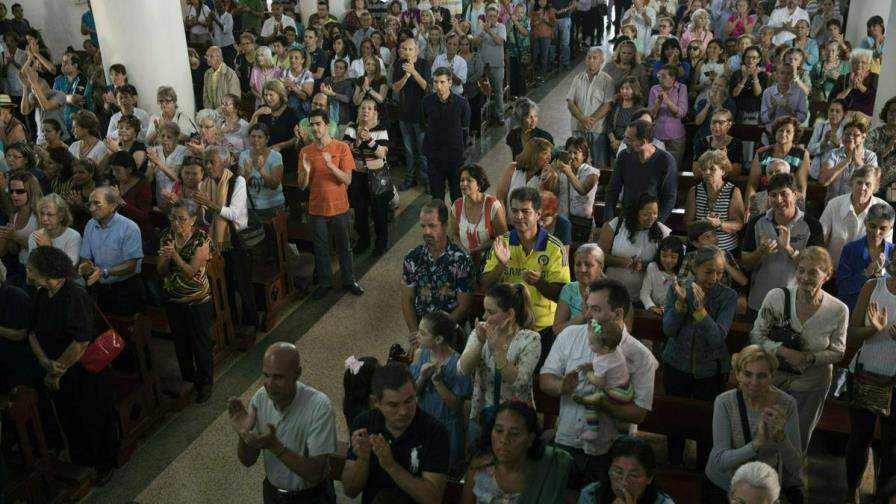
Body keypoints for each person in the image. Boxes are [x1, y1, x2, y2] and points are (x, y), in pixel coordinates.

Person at [541, 279, 658, 487]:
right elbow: (545, 378)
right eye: (587, 307)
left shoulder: (641, 357)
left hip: (612, 451)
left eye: (595, 309)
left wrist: (602, 403)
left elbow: (638, 412)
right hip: (567, 441)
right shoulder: (569, 335)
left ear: (618, 314)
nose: (587, 315)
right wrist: (562, 387)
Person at [27, 245, 119, 485]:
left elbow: (81, 341)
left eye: (32, 268)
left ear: (46, 272)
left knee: (92, 416)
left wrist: (57, 370)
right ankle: (82, 462)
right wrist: (45, 362)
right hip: (57, 371)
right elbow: (32, 333)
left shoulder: (74, 295)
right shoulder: (40, 295)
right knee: (69, 417)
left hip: (83, 371)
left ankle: (103, 463)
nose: (28, 271)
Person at [751, 246, 848, 453]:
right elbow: (757, 336)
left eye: (812, 272)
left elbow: (838, 351)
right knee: (764, 435)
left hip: (812, 384)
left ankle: (792, 481)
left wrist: (810, 357)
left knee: (798, 437)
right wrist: (784, 351)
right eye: (801, 270)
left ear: (827, 275)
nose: (804, 277)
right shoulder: (776, 297)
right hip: (773, 380)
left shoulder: (838, 310)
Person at [227, 342, 338, 503]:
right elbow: (248, 461)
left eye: (278, 377)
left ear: (297, 373)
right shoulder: (260, 398)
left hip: (312, 497)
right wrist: (244, 435)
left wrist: (275, 446)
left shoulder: (319, 406)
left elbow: (315, 473)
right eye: (266, 375)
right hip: (274, 495)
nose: (270, 385)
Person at [662, 245, 738, 467]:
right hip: (676, 364)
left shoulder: (728, 296)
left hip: (710, 371)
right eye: (708, 271)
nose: (714, 278)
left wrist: (699, 310)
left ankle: (705, 469)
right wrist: (679, 305)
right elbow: (668, 330)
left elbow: (717, 338)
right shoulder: (678, 288)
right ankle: (674, 463)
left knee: (707, 425)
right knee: (675, 420)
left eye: (720, 272)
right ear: (695, 268)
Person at [342, 362, 450, 503]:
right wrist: (362, 460)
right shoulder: (364, 424)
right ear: (375, 401)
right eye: (393, 405)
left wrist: (391, 465)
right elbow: (350, 491)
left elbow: (432, 499)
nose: (404, 411)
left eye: (409, 400)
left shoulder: (435, 432)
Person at [705, 346, 802, 498]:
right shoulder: (724, 402)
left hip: (760, 489)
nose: (754, 382)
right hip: (724, 484)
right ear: (737, 374)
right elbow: (720, 461)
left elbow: (796, 466)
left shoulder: (787, 404)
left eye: (762, 376)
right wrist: (756, 445)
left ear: (772, 376)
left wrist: (781, 438)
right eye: (747, 374)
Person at [845, 246, 896, 504]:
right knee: (858, 441)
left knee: (893, 447)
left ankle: (884, 497)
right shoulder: (873, 287)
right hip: (866, 374)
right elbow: (851, 335)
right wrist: (872, 330)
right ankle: (852, 488)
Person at [482, 186, 570, 336]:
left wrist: (539, 282)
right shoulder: (501, 243)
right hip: (508, 325)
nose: (519, 216)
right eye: (515, 211)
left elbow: (562, 297)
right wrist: (501, 266)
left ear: (538, 214)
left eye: (525, 211)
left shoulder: (555, 248)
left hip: (542, 327)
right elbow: (486, 286)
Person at [458, 283, 541, 440]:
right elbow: (462, 370)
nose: (484, 317)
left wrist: (498, 352)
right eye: (484, 310)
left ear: (509, 314)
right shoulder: (480, 331)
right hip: (482, 416)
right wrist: (480, 343)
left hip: (516, 422)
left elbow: (519, 381)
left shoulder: (530, 339)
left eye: (490, 312)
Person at [297, 110, 363, 300]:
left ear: (327, 125)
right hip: (316, 209)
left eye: (318, 124)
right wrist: (307, 172)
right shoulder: (305, 152)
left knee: (344, 247)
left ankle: (349, 280)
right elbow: (302, 186)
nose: (315, 128)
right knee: (321, 249)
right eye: (312, 124)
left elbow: (347, 180)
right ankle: (325, 283)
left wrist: (331, 165)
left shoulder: (341, 148)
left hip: (339, 208)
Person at [192, 145, 257, 331]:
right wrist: (202, 211)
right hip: (218, 243)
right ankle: (231, 321)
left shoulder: (237, 182)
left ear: (225, 161)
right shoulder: (204, 183)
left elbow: (235, 213)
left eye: (212, 162)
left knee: (243, 284)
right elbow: (207, 219)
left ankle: (250, 322)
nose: (208, 166)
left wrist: (210, 204)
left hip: (237, 240)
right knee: (224, 283)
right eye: (206, 162)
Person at [741, 173, 823, 317]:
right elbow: (746, 263)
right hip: (760, 303)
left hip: (795, 305)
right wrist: (759, 252)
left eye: (784, 194)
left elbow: (816, 268)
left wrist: (789, 249)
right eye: (773, 195)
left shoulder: (812, 225)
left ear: (795, 195)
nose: (778, 200)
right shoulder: (756, 223)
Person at [157, 200, 214, 402]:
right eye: (173, 218)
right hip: (173, 298)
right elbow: (160, 270)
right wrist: (165, 257)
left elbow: (190, 272)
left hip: (197, 299)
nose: (176, 223)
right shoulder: (166, 236)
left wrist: (174, 255)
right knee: (181, 342)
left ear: (192, 220)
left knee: (200, 343)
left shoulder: (201, 239)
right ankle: (189, 380)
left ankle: (206, 383)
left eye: (181, 219)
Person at [460, 401, 573, 503]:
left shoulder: (543, 474)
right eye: (499, 431)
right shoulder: (479, 468)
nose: (504, 440)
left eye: (514, 433)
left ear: (530, 439)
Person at [410, 311, 472, 479]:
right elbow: (413, 394)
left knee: (445, 474)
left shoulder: (458, 364)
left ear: (438, 339)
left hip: (448, 429)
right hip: (423, 423)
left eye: (423, 333)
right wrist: (422, 377)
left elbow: (456, 406)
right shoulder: (419, 355)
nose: (417, 336)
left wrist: (438, 382)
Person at [402, 198, 474, 335]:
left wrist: (436, 331)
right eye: (423, 226)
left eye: (432, 226)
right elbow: (407, 299)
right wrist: (413, 332)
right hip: (421, 331)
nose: (426, 231)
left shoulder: (462, 261)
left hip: (451, 330)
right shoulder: (412, 258)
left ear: (445, 224)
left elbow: (464, 306)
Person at [77, 187, 145, 316]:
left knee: (128, 331)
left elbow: (131, 265)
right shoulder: (90, 224)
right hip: (101, 289)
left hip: (126, 289)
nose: (91, 208)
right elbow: (85, 257)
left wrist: (104, 272)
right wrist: (86, 266)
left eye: (97, 204)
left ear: (113, 206)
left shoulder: (129, 228)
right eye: (89, 204)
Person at [598, 194, 671, 299]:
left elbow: (668, 263)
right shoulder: (616, 225)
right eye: (646, 214)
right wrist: (624, 262)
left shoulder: (662, 232)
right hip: (613, 292)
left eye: (655, 213)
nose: (652, 218)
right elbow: (598, 256)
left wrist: (645, 265)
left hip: (646, 296)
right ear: (635, 213)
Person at [603, 120, 677, 223]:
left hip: (652, 221)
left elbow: (670, 197)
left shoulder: (666, 160)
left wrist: (658, 223)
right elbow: (613, 190)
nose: (624, 142)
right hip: (627, 219)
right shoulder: (624, 156)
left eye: (628, 139)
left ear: (642, 142)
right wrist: (608, 221)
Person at [822, 166, 890, 272]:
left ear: (875, 187)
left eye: (868, 184)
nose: (862, 188)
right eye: (859, 182)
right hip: (833, 273)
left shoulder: (884, 210)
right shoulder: (834, 205)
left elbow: (886, 249)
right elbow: (820, 239)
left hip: (868, 276)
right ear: (851, 183)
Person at [344, 99, 390, 255]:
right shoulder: (351, 128)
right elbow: (344, 150)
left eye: (370, 108)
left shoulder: (381, 129)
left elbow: (382, 152)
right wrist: (357, 141)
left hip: (376, 175)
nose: (366, 111)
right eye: (363, 108)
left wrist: (369, 140)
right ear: (358, 111)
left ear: (375, 112)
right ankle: (364, 241)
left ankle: (381, 244)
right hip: (357, 175)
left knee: (379, 212)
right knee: (360, 211)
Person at [576, 435, 674, 504]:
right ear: (608, 471)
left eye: (633, 475)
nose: (624, 483)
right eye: (618, 473)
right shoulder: (591, 496)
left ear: (649, 477)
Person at [835, 202, 895, 313]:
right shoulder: (850, 249)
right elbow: (843, 288)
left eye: (883, 228)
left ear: (891, 228)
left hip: (886, 312)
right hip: (853, 310)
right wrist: (867, 273)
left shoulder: (894, 252)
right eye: (872, 226)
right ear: (865, 222)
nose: (877, 232)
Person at [422, 67, 470, 202]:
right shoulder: (427, 102)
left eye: (442, 82)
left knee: (457, 196)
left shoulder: (462, 103)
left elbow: (465, 126)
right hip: (434, 156)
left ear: (450, 83)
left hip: (454, 157)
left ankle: (457, 222)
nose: (438, 86)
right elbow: (423, 123)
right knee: (436, 197)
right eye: (435, 82)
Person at [684, 150, 745, 252]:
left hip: (726, 250)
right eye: (704, 169)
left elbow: (739, 224)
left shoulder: (733, 191)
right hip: (699, 249)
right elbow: (687, 223)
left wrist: (720, 224)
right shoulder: (694, 191)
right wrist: (701, 224)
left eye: (712, 169)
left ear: (723, 171)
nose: (707, 173)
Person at [566, 47, 615, 169]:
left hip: (597, 129)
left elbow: (607, 105)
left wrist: (589, 121)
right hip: (578, 127)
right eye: (589, 57)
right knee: (577, 163)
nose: (591, 60)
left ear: (601, 61)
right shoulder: (577, 78)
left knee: (597, 164)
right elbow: (571, 102)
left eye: (595, 58)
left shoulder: (607, 81)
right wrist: (582, 119)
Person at [392, 37, 430, 191]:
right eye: (404, 49)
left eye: (410, 49)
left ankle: (427, 180)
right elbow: (395, 87)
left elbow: (427, 86)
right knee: (409, 150)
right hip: (404, 114)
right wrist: (406, 76)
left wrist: (413, 72)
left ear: (417, 50)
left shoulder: (423, 64)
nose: (407, 52)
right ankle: (410, 178)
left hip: (420, 114)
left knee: (422, 151)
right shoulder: (398, 64)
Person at [745, 117, 810, 206]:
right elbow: (753, 184)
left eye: (788, 131)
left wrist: (798, 209)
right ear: (775, 132)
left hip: (789, 201)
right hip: (764, 199)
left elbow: (801, 187)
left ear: (794, 135)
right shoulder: (762, 153)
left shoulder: (802, 154)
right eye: (780, 130)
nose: (783, 133)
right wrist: (749, 207)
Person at [818, 120, 878, 202]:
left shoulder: (871, 157)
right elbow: (823, 181)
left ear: (863, 137)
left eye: (855, 135)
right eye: (847, 134)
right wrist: (846, 161)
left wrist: (858, 161)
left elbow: (873, 185)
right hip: (834, 205)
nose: (850, 137)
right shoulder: (833, 153)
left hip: (858, 206)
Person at [110, 151, 155, 253]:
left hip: (138, 233)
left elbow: (144, 216)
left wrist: (121, 202)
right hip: (117, 231)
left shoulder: (143, 185)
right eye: (112, 170)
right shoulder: (114, 183)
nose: (114, 173)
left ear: (129, 169)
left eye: (117, 170)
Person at [238, 123, 284, 220]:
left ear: (267, 139)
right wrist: (246, 173)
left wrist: (261, 170)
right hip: (250, 206)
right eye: (253, 136)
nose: (256, 140)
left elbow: (274, 184)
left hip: (272, 206)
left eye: (260, 137)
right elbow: (239, 185)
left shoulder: (276, 157)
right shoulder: (244, 155)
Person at [496, 138, 553, 210]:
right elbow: (500, 197)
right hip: (507, 219)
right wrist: (502, 220)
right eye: (545, 153)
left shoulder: (547, 176)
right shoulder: (512, 168)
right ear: (533, 153)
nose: (549, 158)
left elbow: (541, 204)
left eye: (550, 154)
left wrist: (543, 179)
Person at [29, 194, 81, 268]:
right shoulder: (34, 236)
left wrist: (49, 249)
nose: (44, 218)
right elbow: (33, 267)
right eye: (41, 213)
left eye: (49, 215)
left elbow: (69, 268)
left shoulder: (73, 237)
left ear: (61, 216)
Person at [640, 235, 683, 314]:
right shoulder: (652, 267)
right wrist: (652, 307)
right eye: (664, 256)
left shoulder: (682, 273)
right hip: (654, 312)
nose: (668, 260)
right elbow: (644, 293)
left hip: (673, 313)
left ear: (679, 257)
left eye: (673, 257)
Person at [692, 109, 743, 176]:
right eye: (713, 122)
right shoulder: (701, 143)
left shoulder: (736, 143)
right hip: (705, 181)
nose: (716, 125)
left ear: (729, 125)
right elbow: (696, 173)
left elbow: (736, 174)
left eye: (721, 122)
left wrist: (725, 160)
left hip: (726, 181)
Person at [51, 52, 92, 134]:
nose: (62, 64)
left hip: (82, 124)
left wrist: (60, 97)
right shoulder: (59, 79)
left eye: (66, 62)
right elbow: (53, 100)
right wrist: (67, 98)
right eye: (62, 61)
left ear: (75, 65)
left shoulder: (82, 79)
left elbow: (76, 100)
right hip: (63, 125)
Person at [829, 49, 878, 118]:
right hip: (844, 116)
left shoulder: (874, 78)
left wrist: (859, 86)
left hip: (866, 118)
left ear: (869, 65)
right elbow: (833, 101)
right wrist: (850, 87)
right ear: (851, 64)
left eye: (863, 62)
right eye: (856, 62)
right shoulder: (843, 78)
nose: (859, 65)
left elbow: (874, 99)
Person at [807, 98, 846, 180]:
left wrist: (839, 144)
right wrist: (823, 143)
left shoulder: (846, 129)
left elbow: (849, 154)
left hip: (836, 174)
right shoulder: (820, 126)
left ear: (844, 114)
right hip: (816, 172)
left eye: (837, 111)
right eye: (831, 110)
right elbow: (810, 149)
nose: (833, 114)